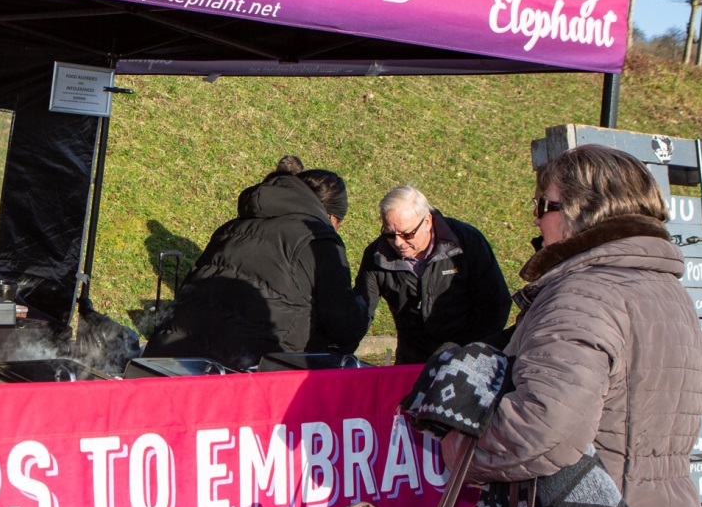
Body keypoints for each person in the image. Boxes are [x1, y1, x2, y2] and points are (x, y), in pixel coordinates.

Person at [455, 144, 702, 507]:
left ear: (581, 210)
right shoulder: (665, 292)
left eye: (542, 205)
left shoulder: (585, 293)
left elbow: (542, 430)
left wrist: (459, 440)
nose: (536, 221)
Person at [144, 158, 363, 369]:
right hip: (243, 372)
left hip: (165, 360)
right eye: (338, 224)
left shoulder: (231, 228)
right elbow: (344, 327)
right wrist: (365, 301)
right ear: (331, 216)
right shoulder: (319, 240)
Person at [355, 185, 511, 365]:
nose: (398, 243)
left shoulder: (467, 242)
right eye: (389, 234)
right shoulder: (377, 255)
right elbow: (362, 310)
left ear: (427, 221)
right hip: (412, 360)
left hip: (466, 357)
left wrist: (473, 353)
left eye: (407, 234)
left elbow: (495, 303)